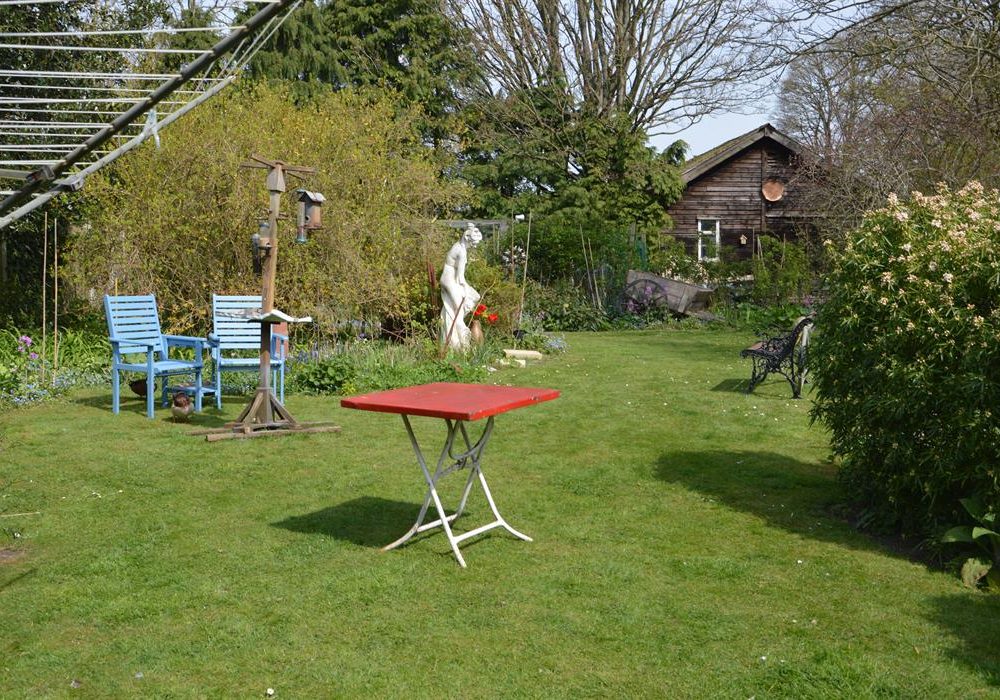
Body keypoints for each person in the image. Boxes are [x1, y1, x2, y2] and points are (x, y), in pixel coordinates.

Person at [440, 222, 482, 350]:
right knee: (459, 308)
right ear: (467, 238)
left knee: (473, 297)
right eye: (473, 243)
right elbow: (460, 278)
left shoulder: (459, 245)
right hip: (449, 280)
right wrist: (465, 291)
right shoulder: (462, 252)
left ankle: (459, 340)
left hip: (451, 279)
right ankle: (459, 343)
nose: (474, 246)